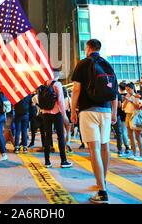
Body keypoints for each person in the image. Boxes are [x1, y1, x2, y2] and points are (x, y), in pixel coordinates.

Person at [71, 39, 118, 204]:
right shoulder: (107, 64)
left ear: (88, 48)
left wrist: (73, 111)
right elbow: (114, 92)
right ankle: (102, 182)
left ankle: (102, 192)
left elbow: (76, 90)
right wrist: (114, 112)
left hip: (88, 111)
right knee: (105, 147)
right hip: (106, 111)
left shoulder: (83, 64)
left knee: (94, 149)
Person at [39, 69, 73, 169]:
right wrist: (65, 116)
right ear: (56, 74)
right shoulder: (57, 84)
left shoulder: (44, 84)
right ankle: (63, 161)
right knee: (60, 136)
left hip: (45, 113)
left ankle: (47, 161)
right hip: (56, 113)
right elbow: (61, 102)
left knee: (47, 136)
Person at [123, 83, 142, 161]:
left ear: (133, 89)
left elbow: (138, 107)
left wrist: (131, 100)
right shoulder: (127, 96)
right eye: (126, 89)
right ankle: (133, 153)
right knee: (130, 136)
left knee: (137, 136)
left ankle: (141, 155)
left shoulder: (136, 96)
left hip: (135, 116)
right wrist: (126, 101)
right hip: (128, 116)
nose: (127, 91)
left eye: (129, 89)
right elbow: (123, 107)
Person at [115, 82, 130, 157]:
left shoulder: (117, 94)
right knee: (122, 132)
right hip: (124, 115)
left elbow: (119, 106)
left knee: (121, 132)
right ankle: (126, 146)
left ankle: (125, 147)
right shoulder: (128, 95)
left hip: (116, 115)